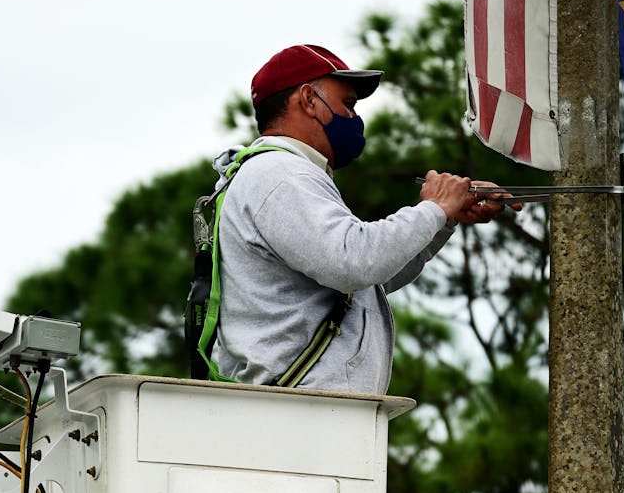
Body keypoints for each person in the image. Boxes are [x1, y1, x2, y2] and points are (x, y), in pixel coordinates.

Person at [211, 43, 510, 395]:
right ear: (308, 99)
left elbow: (369, 278)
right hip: (297, 413)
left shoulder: (281, 173)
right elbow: (355, 261)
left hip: (300, 411)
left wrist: (442, 218)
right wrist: (434, 208)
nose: (354, 118)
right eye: (348, 104)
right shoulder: (280, 173)